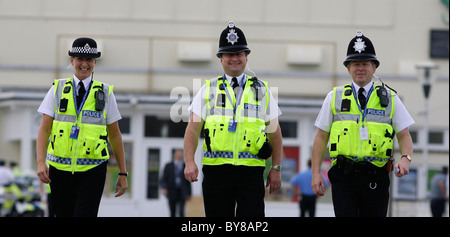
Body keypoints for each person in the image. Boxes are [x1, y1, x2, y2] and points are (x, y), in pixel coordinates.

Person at [184, 21, 283, 217]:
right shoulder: (208, 89)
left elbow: (275, 134)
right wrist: (189, 162)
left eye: (239, 54)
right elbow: (192, 130)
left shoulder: (261, 90)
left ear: (246, 57)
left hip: (251, 173)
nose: (234, 58)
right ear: (221, 59)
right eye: (229, 54)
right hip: (216, 173)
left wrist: (276, 168)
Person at [311, 30, 414, 217]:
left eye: (365, 64)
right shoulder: (334, 97)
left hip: (376, 175)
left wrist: (406, 158)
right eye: (355, 64)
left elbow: (404, 134)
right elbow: (320, 137)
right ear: (348, 69)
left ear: (374, 68)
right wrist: (315, 173)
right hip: (343, 176)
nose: (360, 68)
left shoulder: (390, 98)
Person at [36, 37, 128, 217]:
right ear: (71, 61)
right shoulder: (57, 89)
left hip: (93, 170)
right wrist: (40, 162)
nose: (84, 64)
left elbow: (115, 135)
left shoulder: (106, 93)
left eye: (89, 60)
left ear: (95, 62)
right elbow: (44, 129)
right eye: (79, 59)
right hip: (59, 169)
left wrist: (123, 173)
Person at [160, 149, 192, 217]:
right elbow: (164, 178)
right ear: (174, 155)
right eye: (178, 154)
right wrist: (164, 187)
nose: (179, 155)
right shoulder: (168, 166)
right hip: (171, 191)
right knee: (172, 212)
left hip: (182, 192)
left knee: (181, 212)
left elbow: (188, 181)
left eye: (181, 154)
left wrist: (189, 193)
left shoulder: (185, 165)